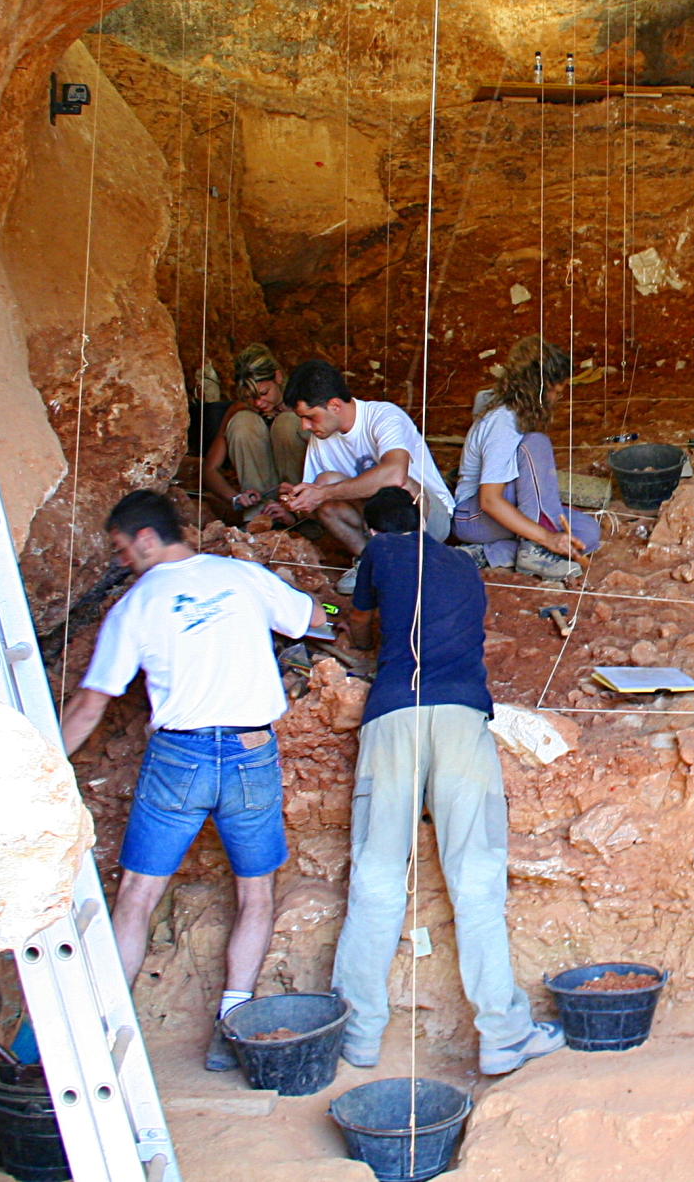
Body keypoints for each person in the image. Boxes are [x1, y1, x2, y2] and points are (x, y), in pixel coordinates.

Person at [58, 488, 316, 1070]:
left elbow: (89, 706)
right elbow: (312, 618)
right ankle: (232, 1024)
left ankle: (104, 1037)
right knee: (256, 893)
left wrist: (43, 762)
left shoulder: (136, 606)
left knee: (137, 895)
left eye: (124, 549)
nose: (123, 562)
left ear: (147, 538)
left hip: (180, 757)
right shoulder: (242, 576)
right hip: (251, 753)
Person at [330, 487, 564, 1076]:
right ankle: (504, 1035)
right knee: (477, 878)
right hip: (462, 717)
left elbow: (358, 619)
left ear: (377, 530)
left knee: (377, 876)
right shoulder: (461, 562)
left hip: (392, 716)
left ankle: (356, 1035)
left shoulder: (381, 552)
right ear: (422, 519)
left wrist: (357, 643)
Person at [277, 360, 453, 595]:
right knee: (324, 482)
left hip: (428, 518)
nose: (305, 425)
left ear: (334, 405)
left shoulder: (383, 415)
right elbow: (319, 500)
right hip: (375, 523)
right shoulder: (321, 438)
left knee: (401, 486)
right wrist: (299, 500)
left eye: (310, 417)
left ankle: (412, 564)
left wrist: (324, 493)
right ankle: (370, 561)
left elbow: (394, 474)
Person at [451, 336, 598, 581]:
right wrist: (548, 537)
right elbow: (489, 500)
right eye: (556, 392)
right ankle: (533, 551)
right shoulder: (502, 422)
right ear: (537, 389)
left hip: (503, 509)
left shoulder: (517, 413)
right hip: (473, 515)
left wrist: (549, 535)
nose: (556, 399)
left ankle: (486, 554)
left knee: (586, 535)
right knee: (536, 444)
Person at [200, 344, 307, 525]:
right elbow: (210, 470)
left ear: (278, 377)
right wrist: (236, 498)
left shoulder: (302, 404)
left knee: (286, 423)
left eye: (264, 393)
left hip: (303, 501)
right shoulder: (243, 409)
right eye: (250, 396)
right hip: (263, 501)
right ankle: (259, 518)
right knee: (243, 421)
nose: (258, 402)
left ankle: (300, 515)